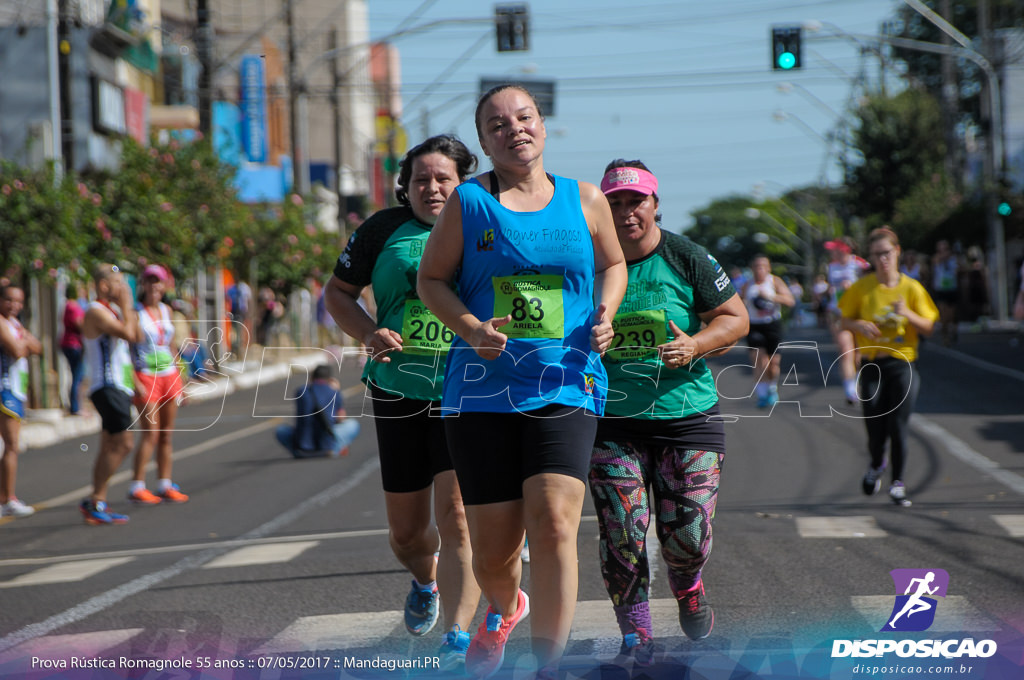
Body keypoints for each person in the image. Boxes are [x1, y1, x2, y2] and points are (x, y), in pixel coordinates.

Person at [417, 84, 627, 677]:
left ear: (542, 123)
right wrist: (470, 328)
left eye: (524, 117)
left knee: (555, 519)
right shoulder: (468, 203)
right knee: (494, 554)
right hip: (482, 388)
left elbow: (613, 264)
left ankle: (548, 665)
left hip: (567, 379)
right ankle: (507, 607)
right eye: (497, 124)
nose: (514, 129)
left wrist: (606, 312)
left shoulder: (585, 200)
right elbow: (431, 281)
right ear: (484, 141)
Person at [324, 134, 483, 672]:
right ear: (405, 185)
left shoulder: (485, 223)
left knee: (458, 517)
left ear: (463, 181)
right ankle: (424, 580)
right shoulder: (382, 230)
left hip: (467, 389)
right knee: (408, 533)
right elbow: (338, 293)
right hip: (398, 391)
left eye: (443, 178)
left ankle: (459, 633)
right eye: (421, 179)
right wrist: (369, 333)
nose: (432, 187)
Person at [588, 160, 748, 665]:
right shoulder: (586, 258)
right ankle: (636, 634)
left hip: (687, 417)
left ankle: (688, 582)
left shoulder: (686, 256)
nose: (625, 211)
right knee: (622, 530)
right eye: (614, 202)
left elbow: (736, 319)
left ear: (655, 204)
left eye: (635, 200)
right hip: (611, 421)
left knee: (688, 537)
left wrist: (696, 345)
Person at [840, 228, 938, 507]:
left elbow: (929, 327)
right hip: (872, 364)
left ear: (897, 252)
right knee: (874, 426)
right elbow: (843, 320)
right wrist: (858, 324)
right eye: (877, 254)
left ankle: (898, 483)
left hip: (903, 362)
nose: (883, 259)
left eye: (887, 253)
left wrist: (907, 313)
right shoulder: (862, 288)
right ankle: (875, 463)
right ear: (871, 257)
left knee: (898, 425)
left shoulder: (911, 288)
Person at [80, 264, 139, 524]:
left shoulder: (114, 311)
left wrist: (127, 305)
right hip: (107, 386)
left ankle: (97, 502)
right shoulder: (95, 312)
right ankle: (96, 499)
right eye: (118, 283)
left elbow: (135, 335)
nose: (123, 289)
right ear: (103, 286)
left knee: (107, 446)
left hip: (119, 385)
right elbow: (128, 333)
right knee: (125, 443)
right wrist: (127, 304)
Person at [126, 264, 189, 505]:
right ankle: (137, 485)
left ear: (164, 285)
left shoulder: (167, 310)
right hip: (146, 375)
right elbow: (127, 349)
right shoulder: (135, 313)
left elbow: (172, 345)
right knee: (150, 434)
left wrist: (181, 378)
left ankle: (164, 483)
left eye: (158, 282)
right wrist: (134, 380)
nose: (154, 286)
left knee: (166, 435)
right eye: (150, 281)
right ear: (143, 284)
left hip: (169, 375)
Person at [0, 284, 43, 518]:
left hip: (16, 390)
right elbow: (18, 350)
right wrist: (25, 343)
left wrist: (25, 342)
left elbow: (38, 346)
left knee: (10, 446)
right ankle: (7, 499)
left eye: (18, 301)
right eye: (9, 300)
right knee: (11, 445)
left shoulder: (15, 324)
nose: (14, 305)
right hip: (4, 389)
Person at [741, 254, 795, 408]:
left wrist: (772, 297)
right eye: (757, 266)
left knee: (773, 364)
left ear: (768, 268)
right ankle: (762, 394)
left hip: (772, 325)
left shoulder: (774, 281)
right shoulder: (747, 285)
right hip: (754, 325)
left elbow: (790, 301)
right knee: (758, 359)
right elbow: (739, 302)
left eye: (763, 266)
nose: (760, 270)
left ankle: (772, 388)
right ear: (752, 269)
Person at [274, 364, 359, 458]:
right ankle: (334, 449)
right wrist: (336, 389)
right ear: (330, 379)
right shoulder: (334, 392)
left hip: (302, 443)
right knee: (353, 424)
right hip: (325, 442)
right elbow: (341, 418)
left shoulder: (300, 391)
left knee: (281, 430)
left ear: (312, 377)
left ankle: (299, 451)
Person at [824, 237, 869, 404]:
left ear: (845, 249)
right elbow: (830, 288)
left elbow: (870, 284)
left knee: (859, 354)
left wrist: (853, 287)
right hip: (838, 313)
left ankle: (857, 381)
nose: (832, 252)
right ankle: (850, 390)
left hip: (858, 313)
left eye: (835, 249)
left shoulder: (859, 264)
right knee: (845, 351)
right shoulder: (831, 266)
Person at [60, 283, 86, 415]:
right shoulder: (73, 306)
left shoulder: (68, 306)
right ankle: (76, 407)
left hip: (70, 344)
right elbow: (79, 324)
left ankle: (76, 406)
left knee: (76, 375)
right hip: (74, 344)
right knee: (77, 375)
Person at [931, 239, 960, 345]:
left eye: (945, 248)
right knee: (943, 315)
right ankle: (945, 336)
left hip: (951, 288)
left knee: (951, 315)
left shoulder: (954, 259)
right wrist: (944, 255)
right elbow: (938, 260)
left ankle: (952, 330)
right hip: (941, 289)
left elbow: (960, 268)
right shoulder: (937, 258)